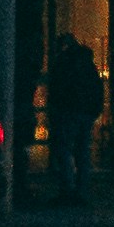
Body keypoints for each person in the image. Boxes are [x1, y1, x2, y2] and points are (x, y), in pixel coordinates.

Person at [43, 34, 105, 203]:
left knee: (63, 149)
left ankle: (67, 188)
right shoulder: (88, 65)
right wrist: (95, 110)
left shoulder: (63, 64)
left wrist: (55, 109)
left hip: (68, 112)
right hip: (86, 113)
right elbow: (97, 89)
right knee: (83, 151)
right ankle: (82, 189)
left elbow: (56, 89)